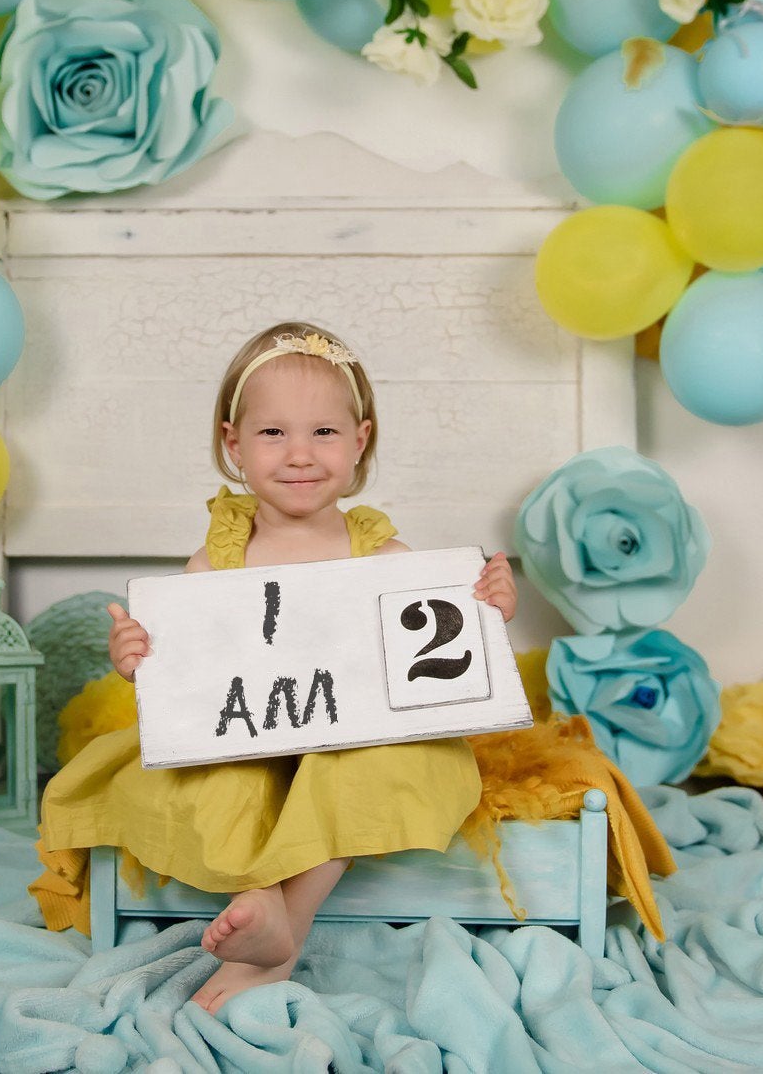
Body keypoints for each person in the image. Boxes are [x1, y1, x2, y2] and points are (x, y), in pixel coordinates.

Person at [32, 320, 518, 1015]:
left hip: (349, 743)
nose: (300, 454)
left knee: (373, 770)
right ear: (233, 443)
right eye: (272, 433)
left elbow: (436, 649)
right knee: (207, 785)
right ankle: (261, 902)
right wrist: (140, 658)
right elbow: (190, 678)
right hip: (254, 743)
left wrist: (488, 608)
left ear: (361, 440)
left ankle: (282, 927)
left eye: (324, 432)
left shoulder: (380, 552)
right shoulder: (219, 558)